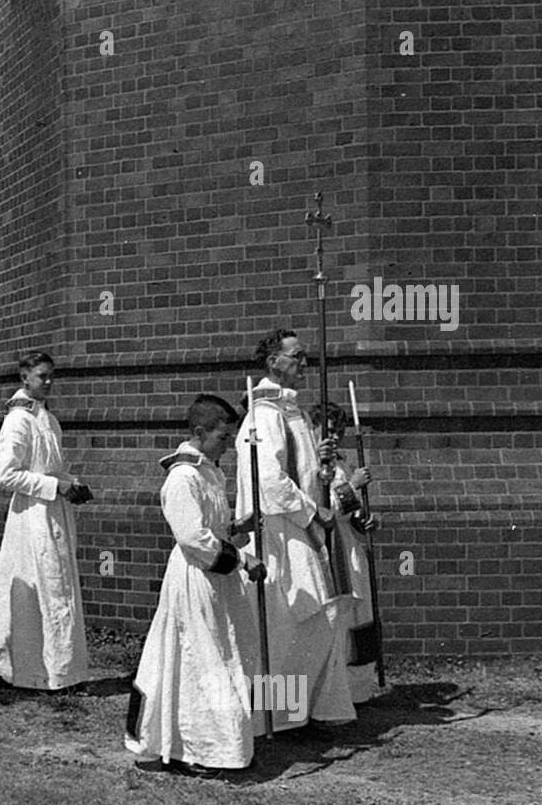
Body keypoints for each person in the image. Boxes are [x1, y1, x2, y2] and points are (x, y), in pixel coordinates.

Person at [126, 396, 266, 777]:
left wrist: (237, 530)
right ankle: (198, 749)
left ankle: (219, 744)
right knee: (202, 659)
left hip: (217, 579)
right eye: (223, 436)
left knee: (225, 651)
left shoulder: (209, 472)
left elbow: (212, 529)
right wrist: (241, 558)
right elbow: (192, 537)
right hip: (194, 577)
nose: (228, 443)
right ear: (200, 433)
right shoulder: (183, 477)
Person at [234, 329, 356, 736]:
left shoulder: (294, 413)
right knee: (289, 623)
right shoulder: (264, 414)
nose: (304, 364)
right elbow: (267, 480)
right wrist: (312, 511)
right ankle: (274, 717)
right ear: (273, 362)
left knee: (311, 621)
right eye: (297, 357)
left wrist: (317, 461)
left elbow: (299, 471)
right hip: (276, 532)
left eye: (304, 357)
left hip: (298, 528)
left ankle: (294, 713)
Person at [0, 351, 90, 691]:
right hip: (31, 516)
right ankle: (17, 666)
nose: (48, 382)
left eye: (51, 376)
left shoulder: (46, 418)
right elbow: (8, 475)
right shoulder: (18, 419)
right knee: (36, 586)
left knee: (50, 586)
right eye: (41, 376)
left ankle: (47, 667)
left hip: (54, 512)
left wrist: (70, 483)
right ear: (24, 378)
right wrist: (54, 486)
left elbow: (50, 465)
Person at [309, 404, 379, 705]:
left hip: (348, 546)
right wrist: (352, 486)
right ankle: (327, 696)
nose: (334, 437)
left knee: (359, 616)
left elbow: (348, 512)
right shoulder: (311, 464)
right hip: (323, 546)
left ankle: (356, 692)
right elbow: (319, 507)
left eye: (339, 432)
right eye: (328, 431)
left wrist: (363, 520)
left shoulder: (341, 463)